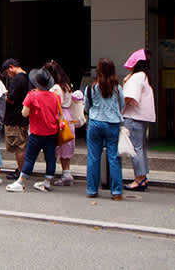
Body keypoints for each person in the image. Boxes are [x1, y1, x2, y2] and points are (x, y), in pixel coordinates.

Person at [6, 68, 60, 193]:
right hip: (52, 131)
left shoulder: (32, 95)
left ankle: (22, 181)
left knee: (30, 157)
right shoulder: (55, 97)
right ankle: (47, 182)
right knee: (51, 157)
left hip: (37, 132)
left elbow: (24, 113)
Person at [84, 58, 125, 200]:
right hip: (112, 123)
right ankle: (117, 191)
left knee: (93, 157)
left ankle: (92, 190)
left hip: (95, 122)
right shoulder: (117, 88)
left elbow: (87, 106)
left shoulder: (91, 88)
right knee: (113, 157)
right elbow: (123, 103)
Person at [122, 49, 156, 192]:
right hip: (141, 117)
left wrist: (118, 107)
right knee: (140, 147)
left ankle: (139, 179)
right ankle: (142, 176)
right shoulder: (143, 76)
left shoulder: (136, 77)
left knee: (136, 148)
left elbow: (129, 97)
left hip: (134, 116)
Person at [45, 60, 75, 186]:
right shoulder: (68, 85)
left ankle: (50, 175)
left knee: (55, 147)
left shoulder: (55, 88)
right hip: (68, 116)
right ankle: (66, 173)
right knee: (65, 148)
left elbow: (54, 104)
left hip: (59, 117)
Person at [1, 58, 30, 180]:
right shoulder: (26, 77)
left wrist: (3, 96)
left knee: (19, 145)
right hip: (22, 117)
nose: (9, 74)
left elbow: (12, 99)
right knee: (21, 143)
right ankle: (21, 169)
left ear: (11, 67)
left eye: (8, 72)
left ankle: (21, 171)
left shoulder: (17, 79)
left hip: (15, 118)